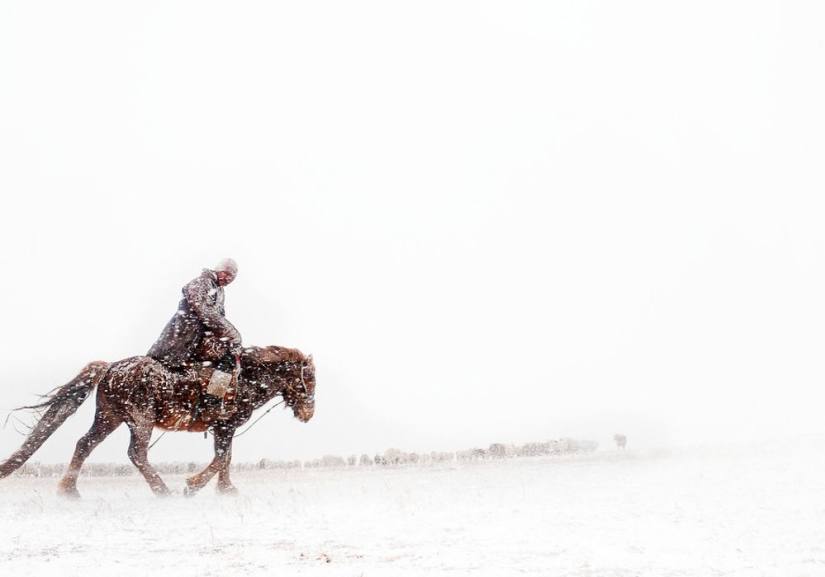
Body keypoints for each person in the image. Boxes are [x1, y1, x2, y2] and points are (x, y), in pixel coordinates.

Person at [148, 258, 242, 416]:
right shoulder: (201, 283)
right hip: (185, 336)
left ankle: (204, 389)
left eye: (231, 278)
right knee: (227, 360)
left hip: (200, 337)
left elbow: (220, 317)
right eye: (227, 274)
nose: (228, 280)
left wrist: (228, 337)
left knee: (224, 357)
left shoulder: (218, 290)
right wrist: (233, 334)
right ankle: (212, 404)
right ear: (219, 269)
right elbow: (205, 312)